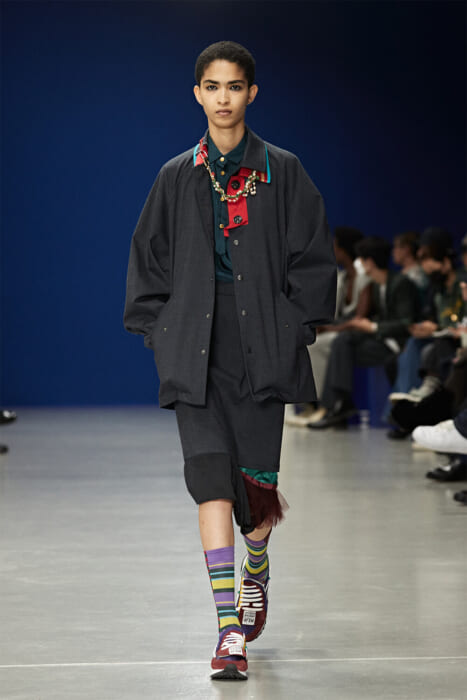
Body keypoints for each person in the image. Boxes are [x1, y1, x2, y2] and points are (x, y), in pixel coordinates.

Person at [123, 41, 336, 681]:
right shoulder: (175, 176)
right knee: (210, 480)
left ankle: (257, 566)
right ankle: (228, 632)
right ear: (197, 94)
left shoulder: (283, 172)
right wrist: (160, 333)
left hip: (261, 343)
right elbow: (148, 258)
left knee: (256, 489)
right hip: (195, 348)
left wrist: (293, 328)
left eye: (234, 86)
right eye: (212, 87)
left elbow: (313, 257)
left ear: (252, 93)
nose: (223, 98)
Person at [309, 236, 418, 429]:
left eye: (361, 259)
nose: (358, 263)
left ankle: (338, 405)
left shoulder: (401, 283)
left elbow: (406, 322)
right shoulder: (377, 284)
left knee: (343, 342)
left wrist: (373, 327)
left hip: (397, 344)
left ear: (369, 262)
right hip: (381, 340)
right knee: (342, 342)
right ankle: (338, 404)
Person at [285, 226, 370, 427]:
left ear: (344, 248)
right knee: (308, 342)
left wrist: (332, 329)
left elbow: (361, 318)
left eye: (336, 244)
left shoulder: (364, 276)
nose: (333, 248)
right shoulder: (342, 277)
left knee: (319, 345)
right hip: (342, 329)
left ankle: (326, 406)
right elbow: (334, 314)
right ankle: (309, 406)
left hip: (357, 333)